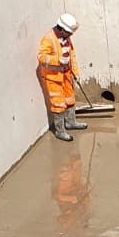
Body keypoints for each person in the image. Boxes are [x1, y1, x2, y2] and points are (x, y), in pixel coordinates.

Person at [37, 12, 87, 142]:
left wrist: (75, 72)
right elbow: (41, 57)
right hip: (53, 78)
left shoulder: (66, 38)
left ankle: (71, 122)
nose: (71, 35)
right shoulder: (48, 39)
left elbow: (72, 56)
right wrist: (57, 60)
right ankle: (60, 131)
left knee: (70, 99)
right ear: (62, 28)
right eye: (69, 32)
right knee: (58, 104)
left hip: (66, 74)